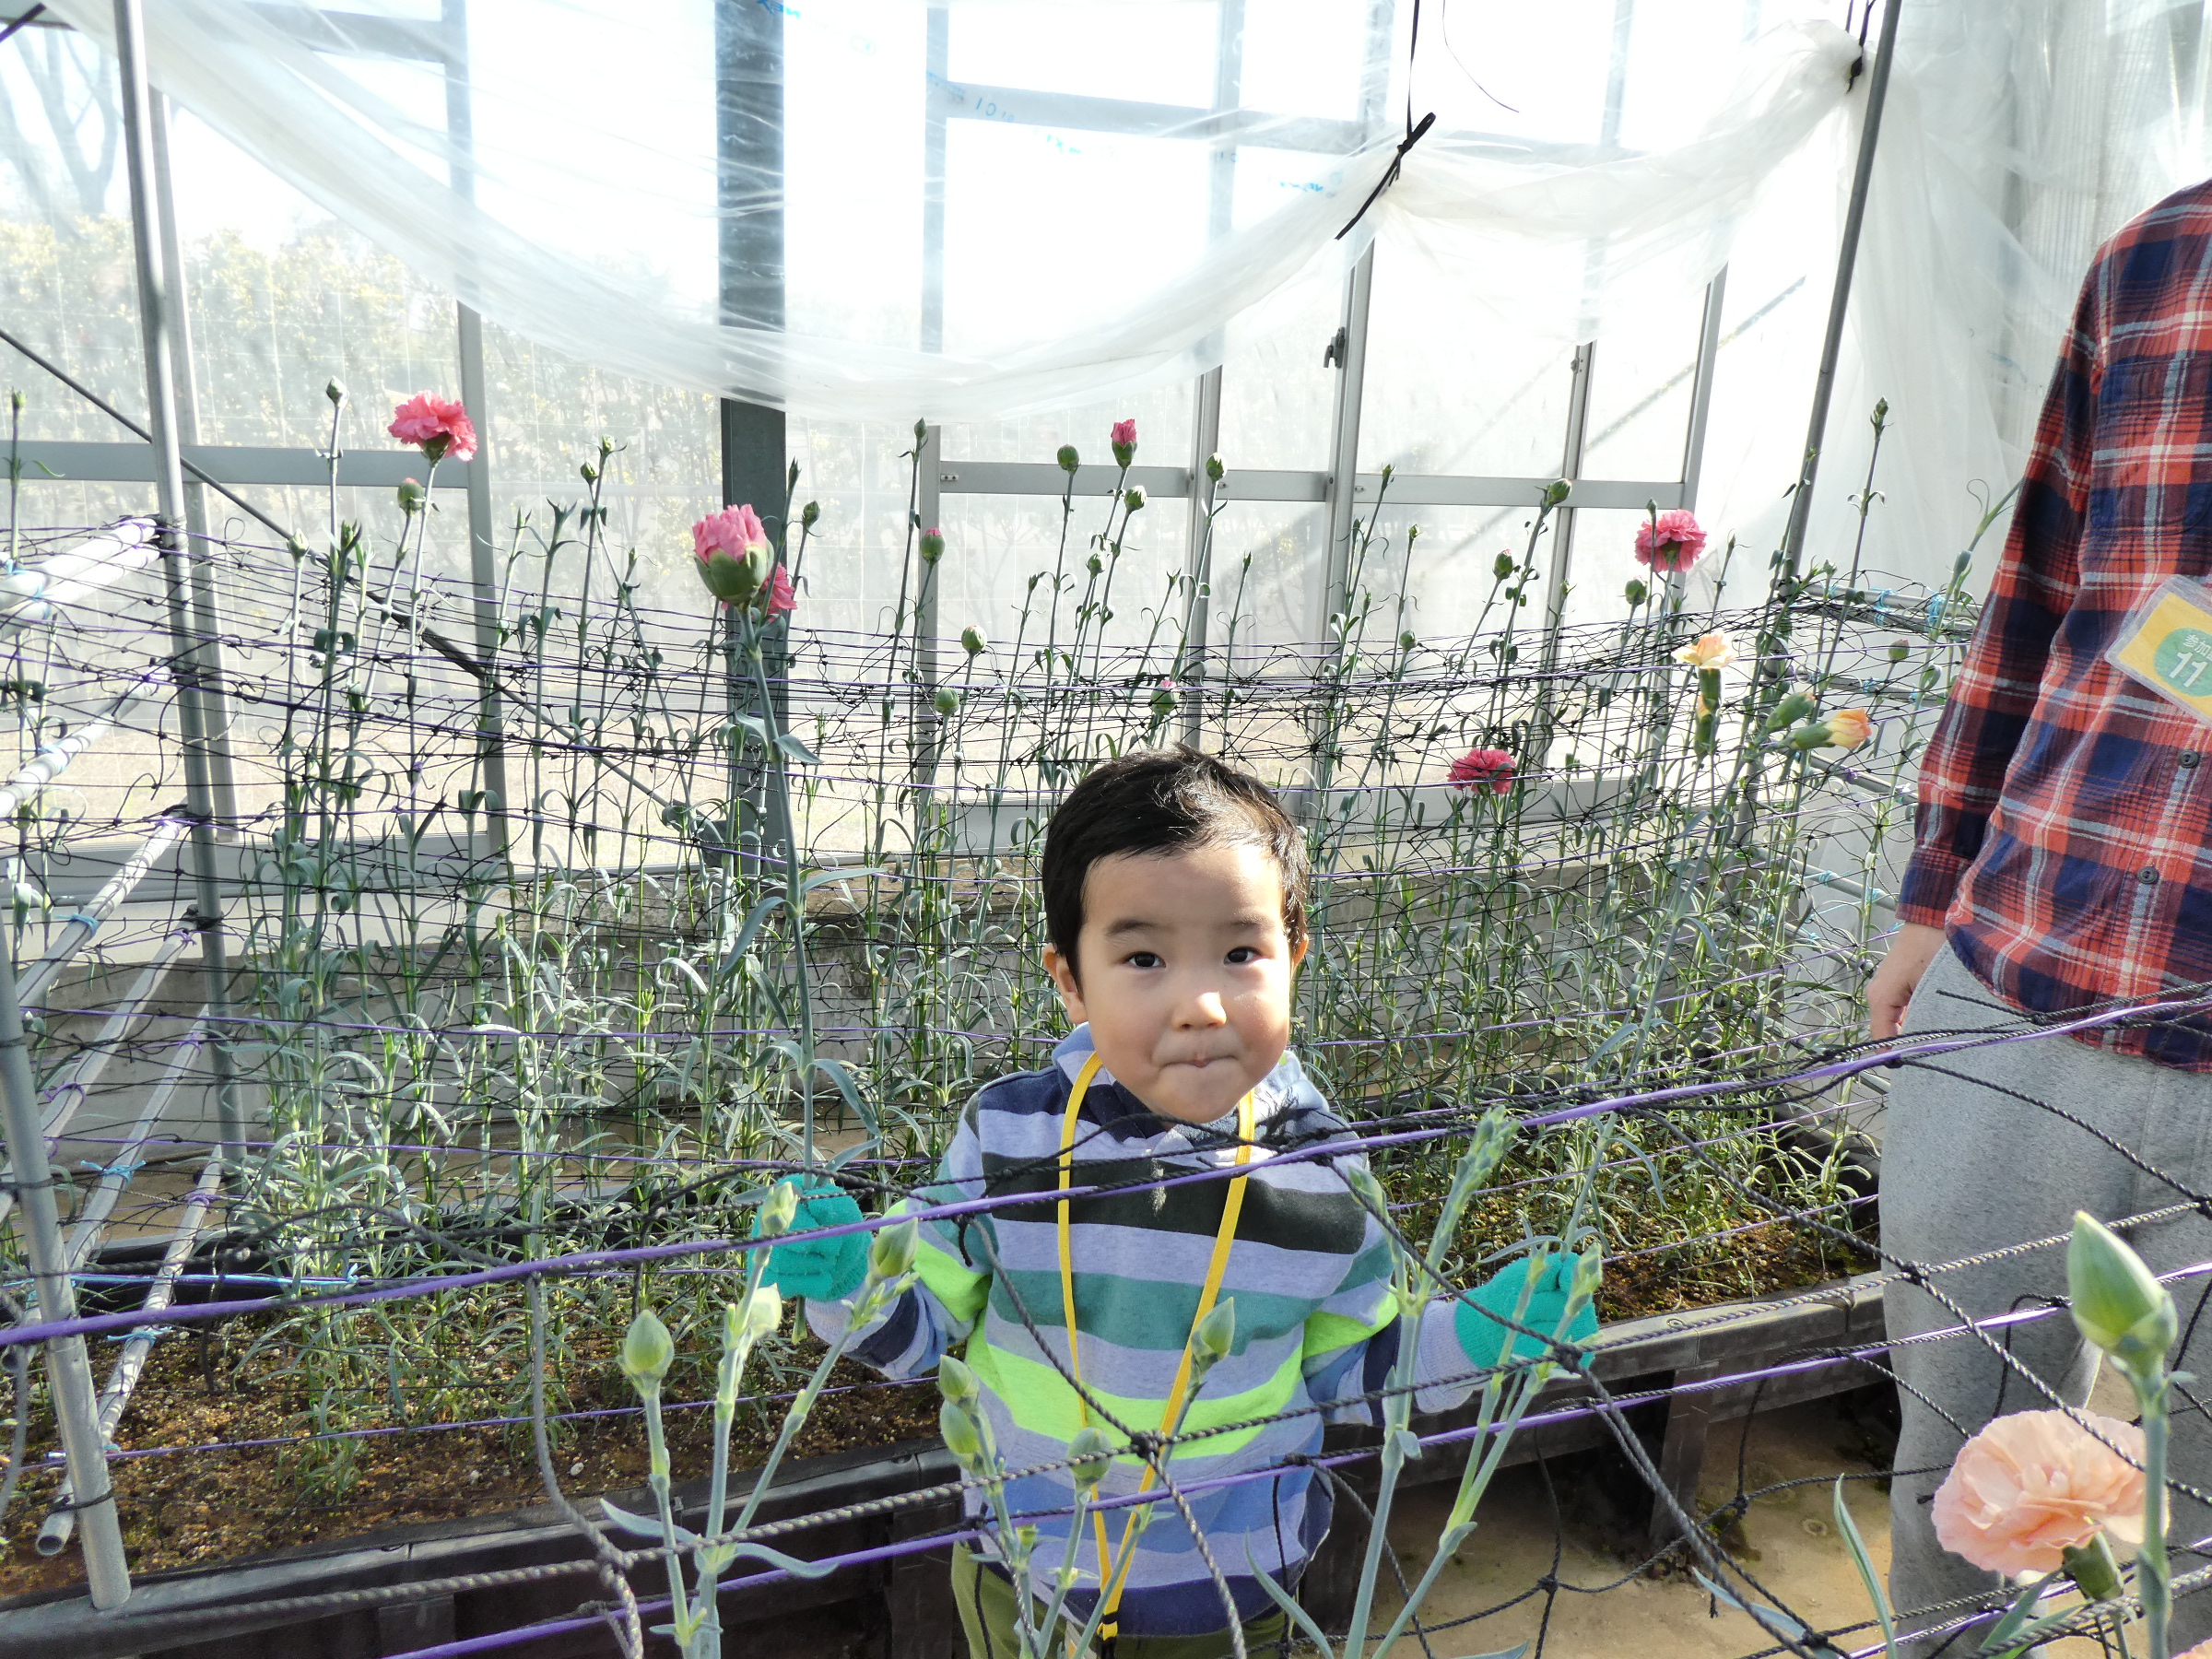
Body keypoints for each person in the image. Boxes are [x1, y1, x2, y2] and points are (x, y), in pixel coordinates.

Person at [759, 747, 1597, 1659]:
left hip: (1232, 1595)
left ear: (1294, 959)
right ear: (1071, 978)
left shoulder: (1322, 1171)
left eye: (1241, 952)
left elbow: (1356, 1371)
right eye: (1145, 957)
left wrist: (1474, 1337)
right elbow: (918, 1336)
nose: (1200, 1002)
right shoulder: (1007, 1140)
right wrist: (849, 1275)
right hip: (1024, 1577)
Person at [1870, 180, 2212, 1652]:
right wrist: (1933, 894)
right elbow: (2041, 589)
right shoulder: (2161, 254)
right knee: (1963, 1483)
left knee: (2198, 1561)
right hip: (2021, 974)